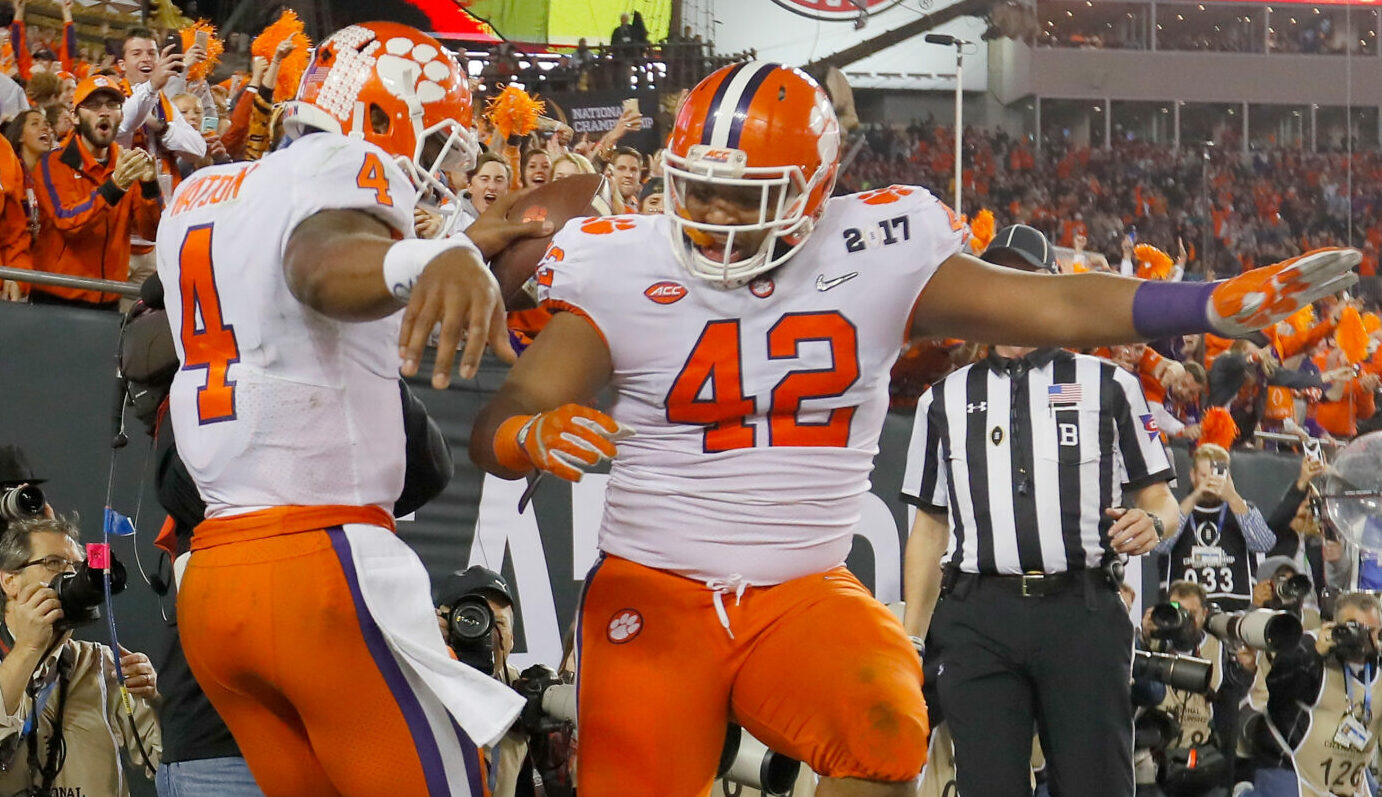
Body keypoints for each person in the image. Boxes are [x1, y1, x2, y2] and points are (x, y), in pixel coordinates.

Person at [469, 62, 1356, 794]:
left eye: (746, 198)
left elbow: (1054, 304)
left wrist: (1201, 302)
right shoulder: (621, 260)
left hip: (799, 592)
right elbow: (499, 423)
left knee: (889, 731)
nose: (714, 219)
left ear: (815, 193)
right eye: (701, 190)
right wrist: (529, 440)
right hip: (655, 587)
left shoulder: (876, 253)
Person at [156, 22, 535, 795]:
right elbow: (317, 267)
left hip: (217, 577)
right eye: (432, 140)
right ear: (386, 116)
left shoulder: (201, 193)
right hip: (317, 564)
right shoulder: (346, 164)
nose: (436, 168)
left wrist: (472, 248)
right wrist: (434, 254)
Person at [900, 224, 1182, 797]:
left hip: (1080, 609)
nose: (1011, 297)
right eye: (999, 280)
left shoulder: (1111, 385)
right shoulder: (942, 400)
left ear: (1052, 288)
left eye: (1025, 280)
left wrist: (1153, 524)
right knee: (987, 786)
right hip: (979, 613)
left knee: (1095, 783)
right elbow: (930, 527)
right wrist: (911, 639)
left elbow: (1160, 500)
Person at [0, 516, 161, 796]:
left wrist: (157, 699)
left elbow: (168, 761)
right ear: (10, 580)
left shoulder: (103, 664)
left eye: (76, 566)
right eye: (53, 563)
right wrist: (27, 648)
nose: (70, 575)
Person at [30, 74, 161, 309]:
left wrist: (151, 188)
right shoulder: (54, 163)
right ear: (75, 116)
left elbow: (150, 232)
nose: (104, 112)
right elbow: (68, 222)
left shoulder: (126, 163)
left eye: (112, 105)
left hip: (108, 298)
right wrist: (114, 186)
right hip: (56, 298)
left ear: (120, 115)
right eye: (93, 105)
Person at [1252, 591, 1382, 796]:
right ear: (1335, 624)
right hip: (1291, 767)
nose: (1363, 639)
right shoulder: (1306, 646)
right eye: (1355, 628)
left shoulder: (1378, 665)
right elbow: (1277, 689)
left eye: (1371, 631)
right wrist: (1315, 654)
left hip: (1348, 776)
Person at [1157, 444, 1275, 610]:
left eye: (1216, 474)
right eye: (1204, 475)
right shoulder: (1178, 511)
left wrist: (1232, 496)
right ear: (1192, 476)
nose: (1211, 480)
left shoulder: (1242, 509)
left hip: (1236, 612)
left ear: (1228, 476)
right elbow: (1161, 545)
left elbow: (1265, 544)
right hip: (1182, 611)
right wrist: (1196, 495)